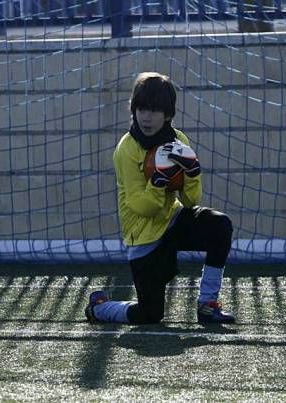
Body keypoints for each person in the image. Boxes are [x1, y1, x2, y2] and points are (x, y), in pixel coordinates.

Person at [85, 72, 235, 325]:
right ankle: (99, 308)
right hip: (143, 237)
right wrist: (158, 181)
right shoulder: (126, 149)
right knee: (150, 314)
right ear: (133, 110)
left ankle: (207, 305)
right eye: (141, 109)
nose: (146, 116)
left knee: (220, 225)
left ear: (167, 114)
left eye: (154, 110)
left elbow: (190, 201)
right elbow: (141, 206)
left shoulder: (178, 141)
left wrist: (192, 174)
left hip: (172, 220)